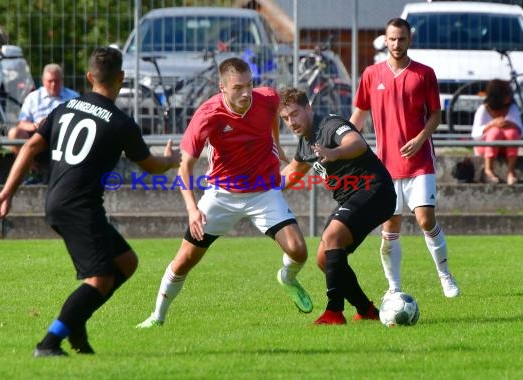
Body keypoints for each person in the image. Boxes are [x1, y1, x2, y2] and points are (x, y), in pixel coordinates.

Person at [0, 47, 180, 357]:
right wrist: (171, 160)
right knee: (100, 279)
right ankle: (50, 341)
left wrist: (6, 193)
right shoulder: (120, 122)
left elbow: (29, 147)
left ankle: (76, 323)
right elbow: (151, 167)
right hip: (79, 206)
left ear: (89, 77)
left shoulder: (66, 107)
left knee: (126, 262)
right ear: (122, 78)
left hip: (59, 201)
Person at [136, 57, 313, 329]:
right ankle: (156, 317)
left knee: (299, 251)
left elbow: (272, 115)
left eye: (249, 85)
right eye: (238, 87)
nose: (246, 93)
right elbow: (185, 167)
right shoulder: (208, 115)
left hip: (263, 193)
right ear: (222, 87)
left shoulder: (265, 98)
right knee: (184, 261)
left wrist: (277, 148)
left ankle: (287, 278)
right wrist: (193, 210)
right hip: (221, 195)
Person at [350, 18, 460, 299]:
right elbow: (360, 114)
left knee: (425, 219)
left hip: (419, 162)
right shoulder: (372, 74)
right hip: (385, 166)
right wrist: (344, 141)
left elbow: (436, 115)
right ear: (385, 41)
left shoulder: (424, 74)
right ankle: (394, 288)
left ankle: (445, 276)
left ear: (409, 40)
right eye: (392, 39)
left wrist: (420, 138)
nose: (397, 44)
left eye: (401, 38)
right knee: (390, 227)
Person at [278, 87, 396, 324]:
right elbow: (292, 172)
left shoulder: (330, 125)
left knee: (332, 236)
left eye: (294, 114)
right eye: (285, 118)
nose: (291, 122)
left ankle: (334, 312)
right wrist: (256, 190)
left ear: (308, 109)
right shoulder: (305, 143)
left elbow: (357, 143)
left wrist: (335, 152)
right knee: (324, 259)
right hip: (352, 197)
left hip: (375, 189)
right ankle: (367, 310)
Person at [8, 63, 79, 183]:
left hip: (63, 136)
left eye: (56, 81)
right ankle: (32, 170)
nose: (53, 84)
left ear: (62, 80)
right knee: (14, 133)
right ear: (43, 80)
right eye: (50, 81)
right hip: (37, 135)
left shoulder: (73, 97)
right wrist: (36, 126)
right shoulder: (33, 97)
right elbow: (22, 123)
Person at [471, 79, 522, 185]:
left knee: (512, 132)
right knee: (494, 132)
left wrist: (509, 124)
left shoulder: (512, 108)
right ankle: (488, 170)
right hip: (485, 148)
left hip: (505, 147)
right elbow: (475, 134)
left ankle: (511, 172)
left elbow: (520, 131)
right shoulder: (483, 109)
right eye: (506, 94)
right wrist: (491, 125)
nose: (509, 97)